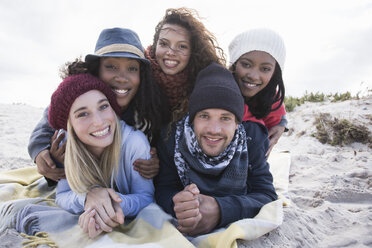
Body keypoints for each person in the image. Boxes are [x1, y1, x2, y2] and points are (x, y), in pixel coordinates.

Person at [28, 27, 169, 185]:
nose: (122, 78)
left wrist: (155, 164)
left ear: (141, 75)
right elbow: (47, 122)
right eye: (111, 66)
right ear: (96, 70)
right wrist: (40, 153)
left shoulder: (148, 107)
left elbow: (161, 149)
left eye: (132, 68)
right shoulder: (78, 96)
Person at [154, 63, 277, 236]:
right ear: (192, 119)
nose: (214, 129)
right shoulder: (171, 139)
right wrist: (179, 204)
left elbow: (266, 195)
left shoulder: (252, 140)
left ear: (237, 123)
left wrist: (221, 210)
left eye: (225, 118)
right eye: (204, 116)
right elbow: (164, 188)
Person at [47, 73, 154, 239]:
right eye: (82, 114)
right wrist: (87, 198)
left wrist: (112, 204)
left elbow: (146, 197)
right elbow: (61, 196)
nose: (98, 121)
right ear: (70, 125)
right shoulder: (65, 143)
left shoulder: (135, 142)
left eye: (103, 107)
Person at [144, 7, 225, 122]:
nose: (171, 52)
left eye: (182, 46)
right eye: (164, 44)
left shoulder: (203, 87)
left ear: (193, 51)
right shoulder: (139, 76)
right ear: (155, 45)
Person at [228, 28, 287, 156]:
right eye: (246, 64)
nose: (254, 76)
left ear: (275, 73)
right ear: (234, 63)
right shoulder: (218, 89)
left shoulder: (270, 97)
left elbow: (278, 114)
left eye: (265, 69)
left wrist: (282, 123)